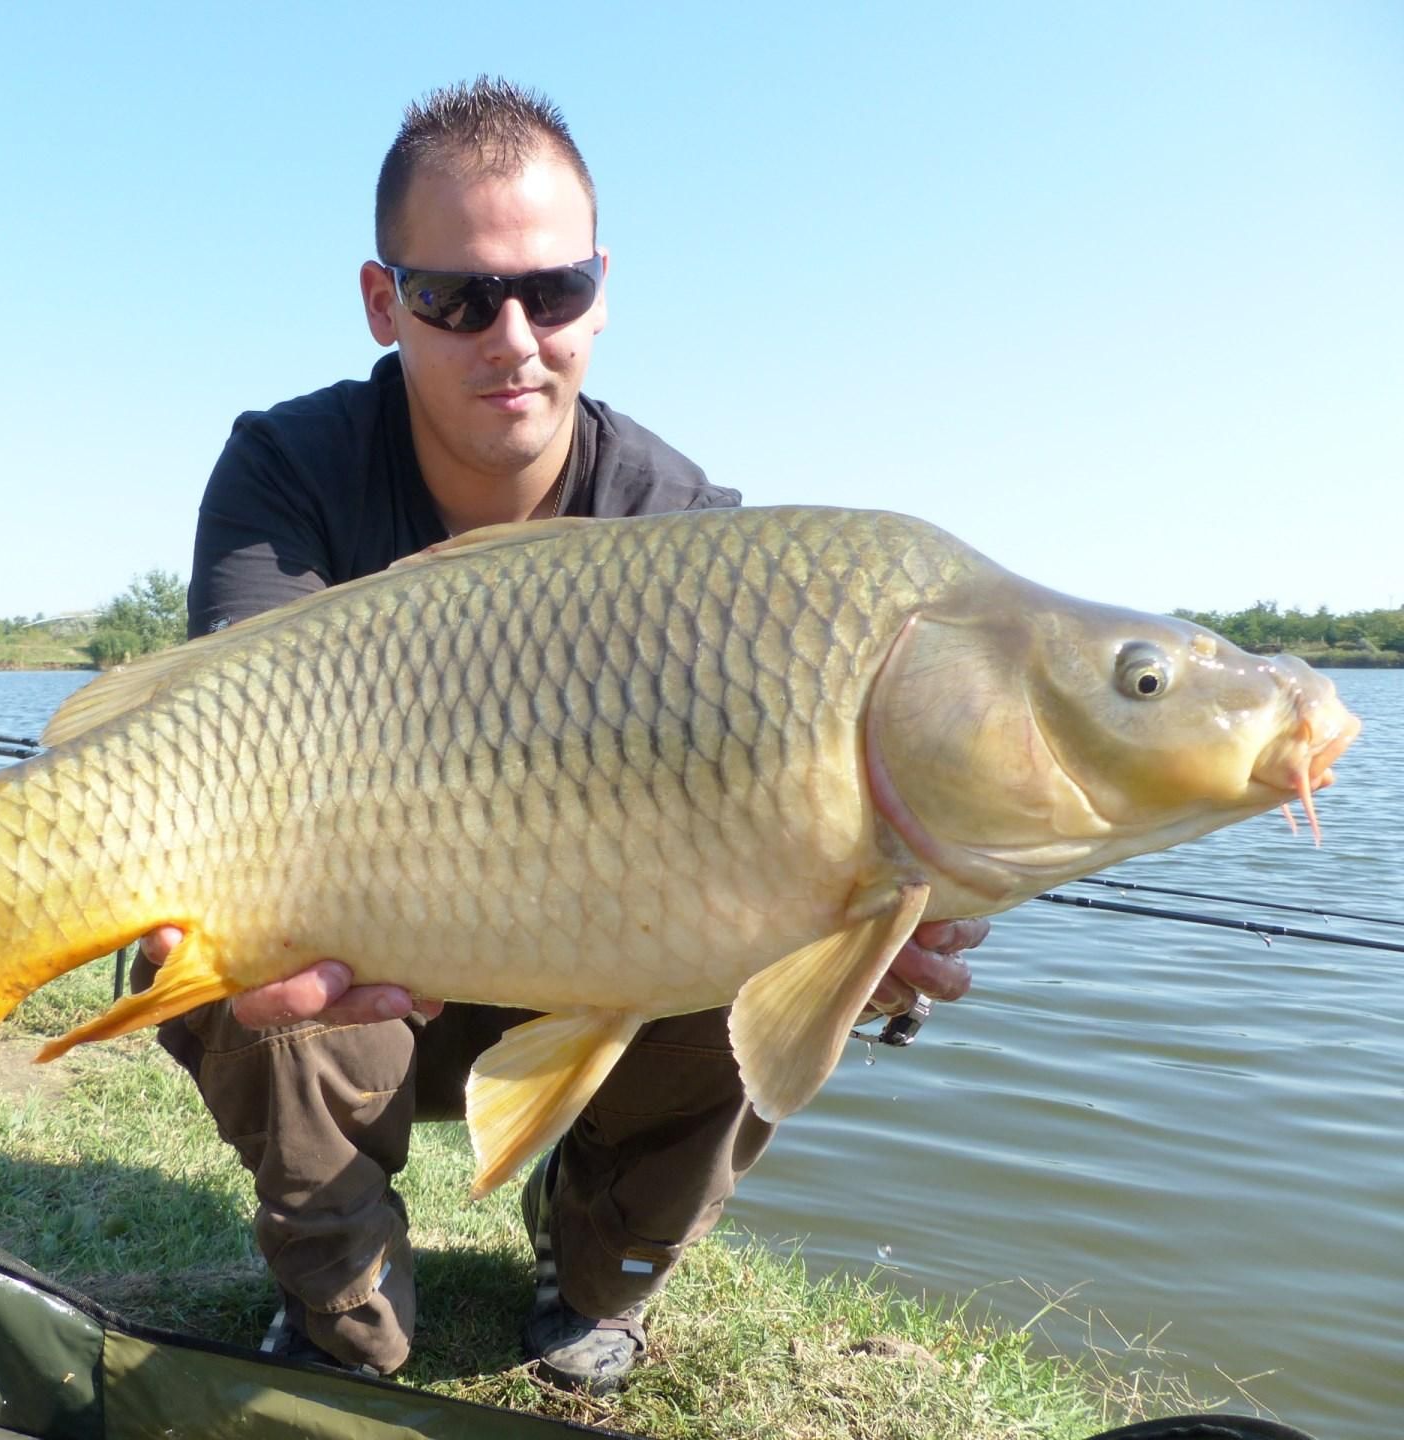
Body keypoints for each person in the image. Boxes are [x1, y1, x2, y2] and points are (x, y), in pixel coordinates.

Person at [133, 76, 987, 1392]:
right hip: (365, 971)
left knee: (772, 955)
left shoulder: (691, 529)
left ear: (602, 287)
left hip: (595, 970)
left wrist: (857, 926)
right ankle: (346, 1299)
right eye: (460, 298)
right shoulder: (288, 471)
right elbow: (215, 769)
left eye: (556, 291)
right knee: (203, 926)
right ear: (384, 302)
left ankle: (597, 1273)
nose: (515, 339)